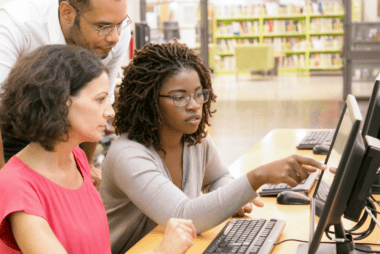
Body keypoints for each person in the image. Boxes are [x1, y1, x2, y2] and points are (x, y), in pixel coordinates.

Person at [99, 40, 327, 254]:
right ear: (149, 100)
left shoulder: (193, 138)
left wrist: (233, 200)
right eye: (180, 97)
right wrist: (258, 176)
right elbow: (184, 216)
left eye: (200, 94)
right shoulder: (128, 155)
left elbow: (218, 177)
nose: (195, 106)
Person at [0, 45, 196, 254]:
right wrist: (161, 252)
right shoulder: (16, 187)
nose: (110, 112)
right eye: (100, 99)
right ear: (59, 103)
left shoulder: (77, 159)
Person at [0, 0, 132, 189]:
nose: (114, 37)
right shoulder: (18, 22)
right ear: (67, 12)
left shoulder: (114, 33)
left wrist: (87, 166)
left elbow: (103, 100)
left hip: (70, 134)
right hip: (14, 128)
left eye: (120, 24)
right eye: (102, 26)